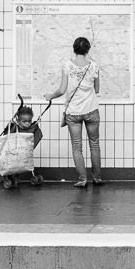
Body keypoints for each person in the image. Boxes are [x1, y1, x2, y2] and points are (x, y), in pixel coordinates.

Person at [43, 37, 102, 187]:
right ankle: (97, 178)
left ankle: (82, 179)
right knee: (94, 144)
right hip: (91, 110)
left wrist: (50, 96)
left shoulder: (67, 66)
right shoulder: (94, 66)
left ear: (74, 49)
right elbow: (97, 89)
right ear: (88, 50)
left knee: (77, 147)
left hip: (74, 112)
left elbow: (62, 90)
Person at [1, 105, 44, 185]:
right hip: (12, 151)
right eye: (24, 121)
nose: (27, 123)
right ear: (18, 120)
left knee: (19, 162)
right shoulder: (14, 127)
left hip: (22, 152)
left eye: (29, 121)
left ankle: (15, 177)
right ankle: (10, 177)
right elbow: (6, 135)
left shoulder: (32, 127)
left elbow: (38, 135)